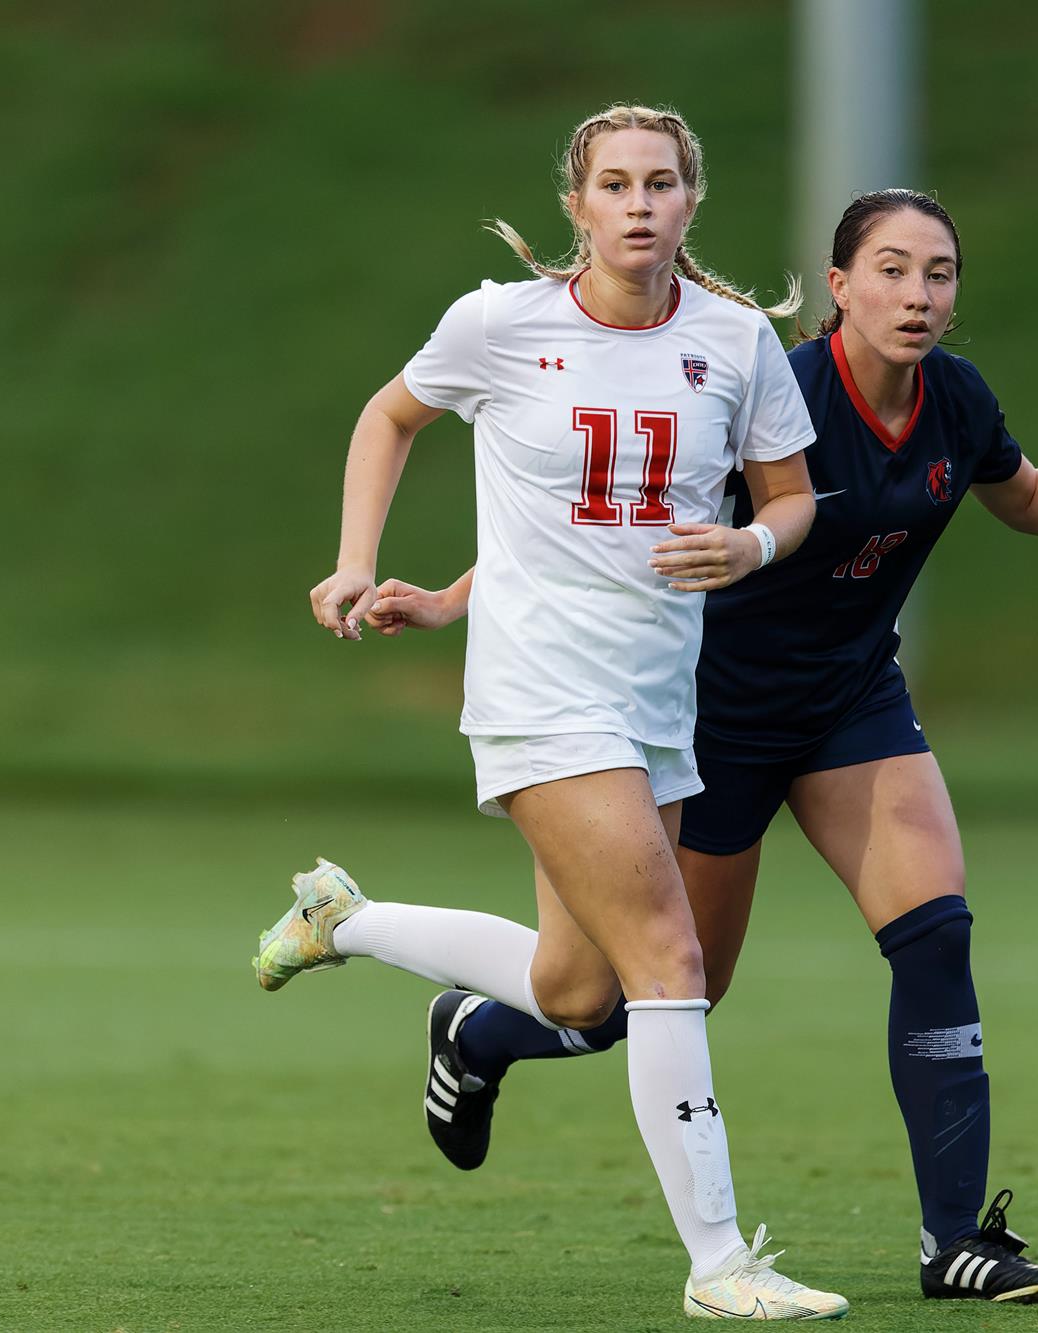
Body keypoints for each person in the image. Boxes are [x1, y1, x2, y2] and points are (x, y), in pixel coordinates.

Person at [361, 188, 1038, 1309]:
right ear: (836, 286)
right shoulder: (766, 386)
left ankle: (954, 1240)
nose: (916, 295)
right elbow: (608, 527)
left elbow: (1019, 495)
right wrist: (450, 598)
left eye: (937, 273)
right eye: (889, 269)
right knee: (648, 997)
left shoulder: (953, 400)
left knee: (935, 934)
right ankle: (480, 1031)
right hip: (709, 716)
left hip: (850, 706)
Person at [252, 104, 851, 1322]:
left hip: (651, 702)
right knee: (670, 960)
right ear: (575, 206)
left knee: (581, 995)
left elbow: (788, 502)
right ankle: (719, 1263)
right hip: (537, 697)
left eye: (662, 184)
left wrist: (745, 543)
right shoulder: (500, 323)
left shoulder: (735, 341)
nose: (639, 205)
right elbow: (390, 416)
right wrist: (356, 561)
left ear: (692, 203)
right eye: (616, 185)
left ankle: (343, 922)